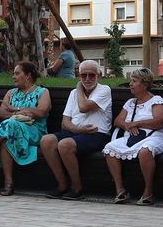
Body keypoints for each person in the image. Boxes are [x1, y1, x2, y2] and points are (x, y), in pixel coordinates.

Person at [0, 61, 49, 196]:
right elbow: (2, 114)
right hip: (11, 131)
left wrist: (15, 109)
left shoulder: (42, 92)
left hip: (35, 131)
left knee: (10, 125)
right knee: (7, 136)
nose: (13, 76)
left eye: (17, 73)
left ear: (28, 76)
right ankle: (8, 183)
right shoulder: (11, 93)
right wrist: (21, 113)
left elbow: (41, 112)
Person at [41, 60, 112, 200]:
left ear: (99, 76)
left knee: (65, 144)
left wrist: (79, 88)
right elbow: (64, 122)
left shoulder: (104, 90)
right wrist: (78, 130)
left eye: (91, 75)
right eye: (83, 75)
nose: (86, 79)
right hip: (77, 132)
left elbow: (84, 107)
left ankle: (77, 187)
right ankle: (62, 185)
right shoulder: (74, 92)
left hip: (97, 134)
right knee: (46, 140)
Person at [103, 68, 163, 204]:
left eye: (134, 81)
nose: (131, 84)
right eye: (131, 81)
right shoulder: (130, 103)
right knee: (109, 148)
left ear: (144, 84)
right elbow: (118, 121)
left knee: (145, 151)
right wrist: (128, 125)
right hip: (132, 138)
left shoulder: (156, 100)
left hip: (155, 137)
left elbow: (159, 122)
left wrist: (137, 123)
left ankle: (148, 191)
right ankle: (120, 190)